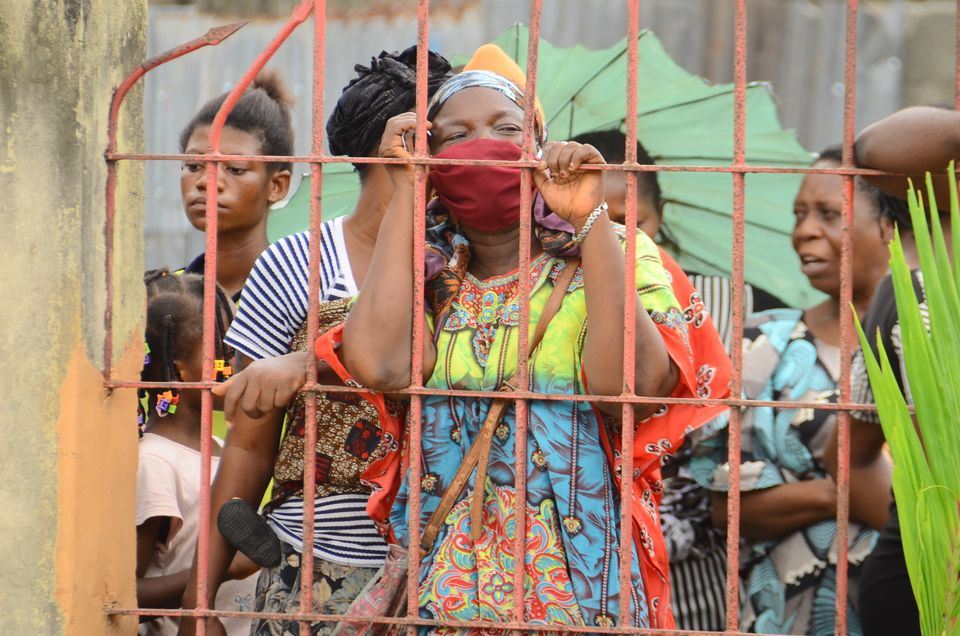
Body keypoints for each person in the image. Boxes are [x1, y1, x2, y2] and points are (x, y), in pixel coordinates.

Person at [336, 69, 731, 630]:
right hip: (446, 584)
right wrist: (405, 190)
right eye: (457, 135)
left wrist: (589, 217)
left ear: (540, 146)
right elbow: (380, 365)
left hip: (585, 580)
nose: (486, 145)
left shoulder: (617, 249)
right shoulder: (420, 267)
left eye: (507, 128)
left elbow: (631, 383)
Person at [177, 46, 454, 636]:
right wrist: (199, 600)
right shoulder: (293, 264)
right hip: (316, 573)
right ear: (391, 148)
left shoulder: (466, 262)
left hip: (451, 571)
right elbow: (249, 447)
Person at [569, 128, 786, 631]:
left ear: (659, 214)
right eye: (592, 222)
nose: (615, 237)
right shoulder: (550, 304)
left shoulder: (733, 304)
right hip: (580, 546)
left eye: (629, 221)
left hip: (699, 565)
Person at [689, 146, 911, 635]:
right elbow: (728, 508)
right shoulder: (765, 342)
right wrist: (849, 491)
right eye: (799, 215)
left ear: (890, 227)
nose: (805, 231)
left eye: (829, 214)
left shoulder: (933, 347)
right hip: (782, 615)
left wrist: (813, 491)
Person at [825, 106, 960, 636]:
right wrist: (932, 525)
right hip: (926, 581)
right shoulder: (911, 296)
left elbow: (848, 454)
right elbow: (880, 149)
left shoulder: (902, 297)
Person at [136, 270, 258, 635]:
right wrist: (223, 569)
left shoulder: (224, 451)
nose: (236, 362)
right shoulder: (155, 462)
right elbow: (126, 597)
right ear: (179, 369)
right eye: (225, 350)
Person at [178, 70, 294, 302]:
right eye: (193, 165)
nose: (206, 182)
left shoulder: (297, 297)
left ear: (277, 186)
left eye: (235, 169)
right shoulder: (165, 293)